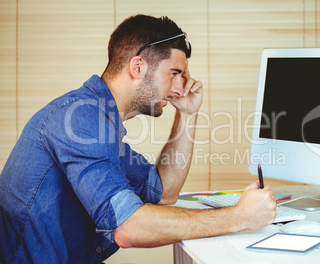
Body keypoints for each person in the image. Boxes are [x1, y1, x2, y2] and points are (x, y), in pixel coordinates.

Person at [0, 14, 277, 263]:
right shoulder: (80, 120)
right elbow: (129, 229)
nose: (181, 88)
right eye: (175, 73)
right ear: (138, 67)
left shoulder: (100, 122)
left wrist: (188, 115)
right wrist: (239, 217)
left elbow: (164, 193)